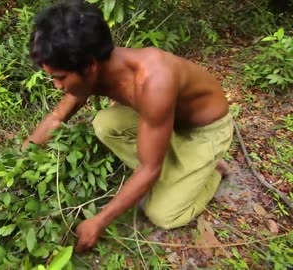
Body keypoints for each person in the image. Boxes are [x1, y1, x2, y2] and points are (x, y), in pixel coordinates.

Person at [22, 0, 233, 253]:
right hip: (166, 122)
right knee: (105, 123)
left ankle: (213, 171)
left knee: (163, 214)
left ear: (89, 66)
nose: (57, 86)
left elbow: (149, 168)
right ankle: (184, 167)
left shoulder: (153, 80)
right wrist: (22, 157)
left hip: (204, 130)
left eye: (60, 78)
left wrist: (99, 221)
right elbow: (58, 117)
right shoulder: (93, 69)